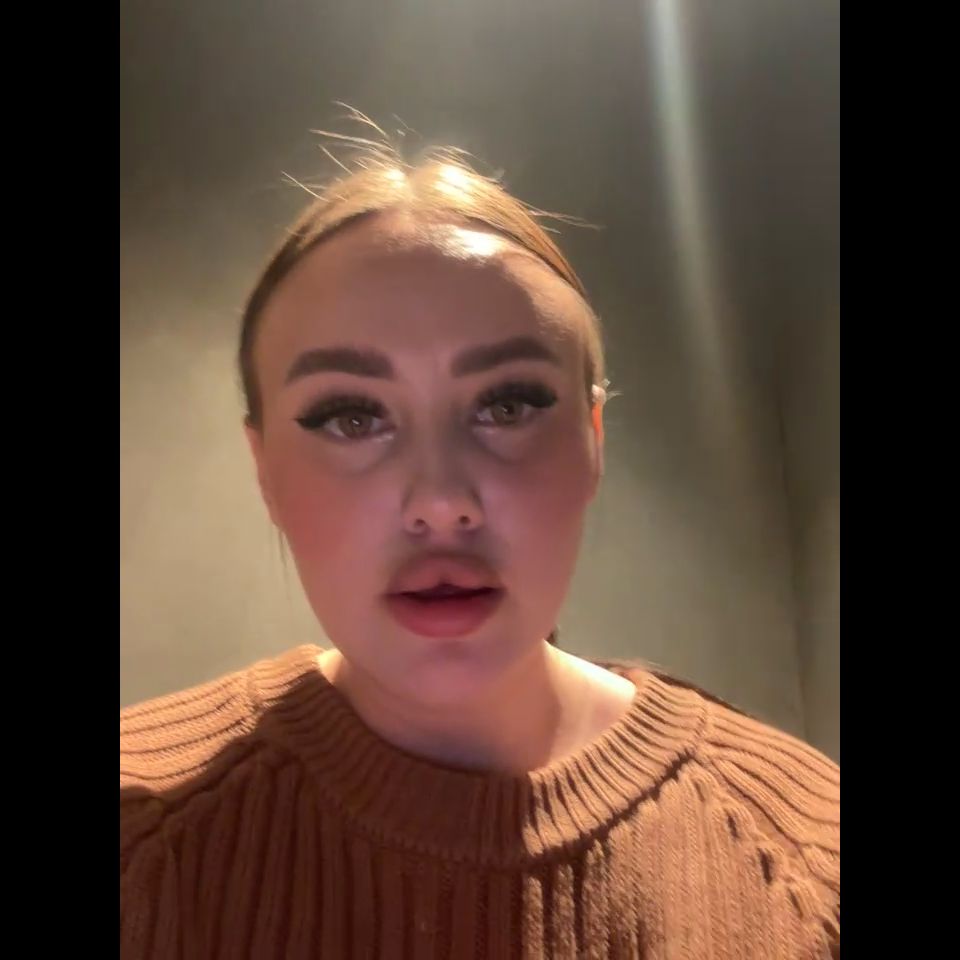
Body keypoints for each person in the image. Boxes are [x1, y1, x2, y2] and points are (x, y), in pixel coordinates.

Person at [120, 121, 840, 959]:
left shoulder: (806, 859)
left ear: (593, 442)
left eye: (507, 405)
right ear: (265, 470)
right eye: (350, 416)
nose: (441, 503)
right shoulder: (141, 831)